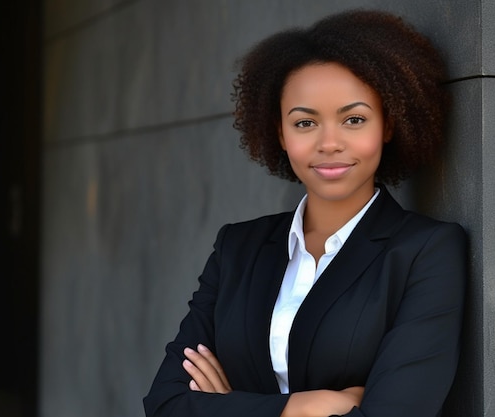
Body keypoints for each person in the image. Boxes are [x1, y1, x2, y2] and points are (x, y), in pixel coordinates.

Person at [144, 9, 466, 417]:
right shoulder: (237, 249)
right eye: (305, 123)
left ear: (387, 125)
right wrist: (305, 406)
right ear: (279, 132)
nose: (329, 143)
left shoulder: (425, 252)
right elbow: (166, 404)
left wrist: (229, 407)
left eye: (354, 119)